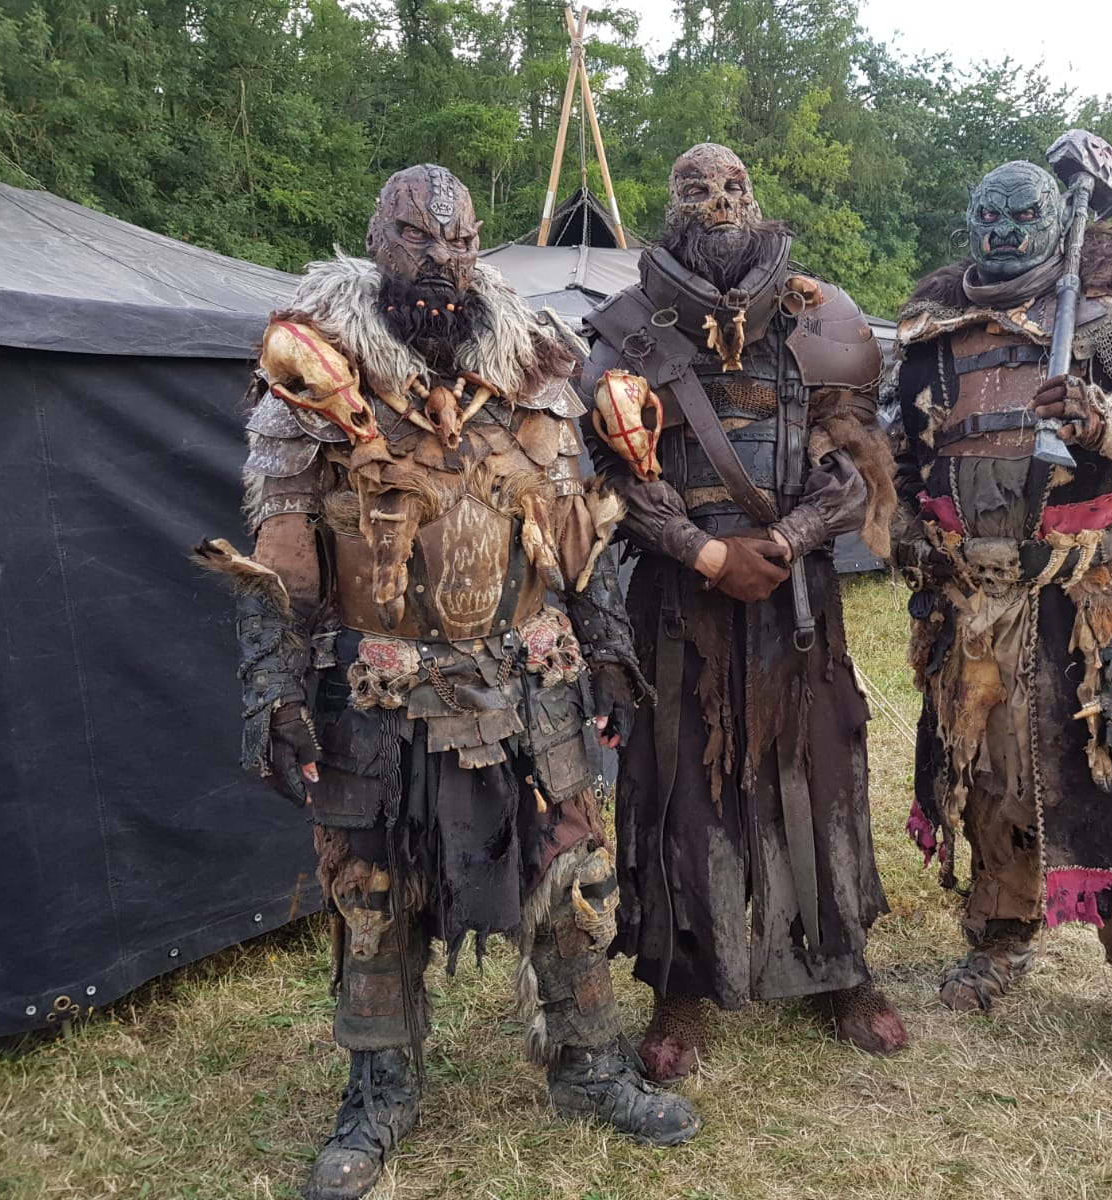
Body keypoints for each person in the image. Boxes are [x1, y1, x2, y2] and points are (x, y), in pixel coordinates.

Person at [197, 164, 697, 1200]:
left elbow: (578, 532)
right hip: (379, 692)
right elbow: (281, 559)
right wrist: (273, 691)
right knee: (373, 895)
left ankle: (590, 1066)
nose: (442, 258)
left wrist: (607, 649)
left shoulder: (537, 364)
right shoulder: (309, 373)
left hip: (530, 679)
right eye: (419, 239)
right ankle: (379, 1093)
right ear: (377, 237)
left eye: (460, 240)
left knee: (571, 879)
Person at [891, 158, 1112, 1086]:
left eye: (1021, 217)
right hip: (974, 603)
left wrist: (1103, 419)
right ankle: (1001, 935)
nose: (1002, 234)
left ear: (1053, 221)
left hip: (1092, 602)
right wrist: (904, 527)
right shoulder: (931, 329)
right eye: (987, 217)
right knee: (986, 776)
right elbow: (892, 450)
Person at [577, 143, 907, 1083]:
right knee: (681, 787)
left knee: (820, 771)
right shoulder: (625, 332)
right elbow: (601, 477)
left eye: (733, 188)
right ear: (670, 205)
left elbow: (856, 467)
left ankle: (839, 967)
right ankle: (683, 982)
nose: (718, 203)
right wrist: (704, 552)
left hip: (797, 604)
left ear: (755, 199)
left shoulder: (820, 317)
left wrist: (789, 541)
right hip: (679, 610)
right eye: (696, 190)